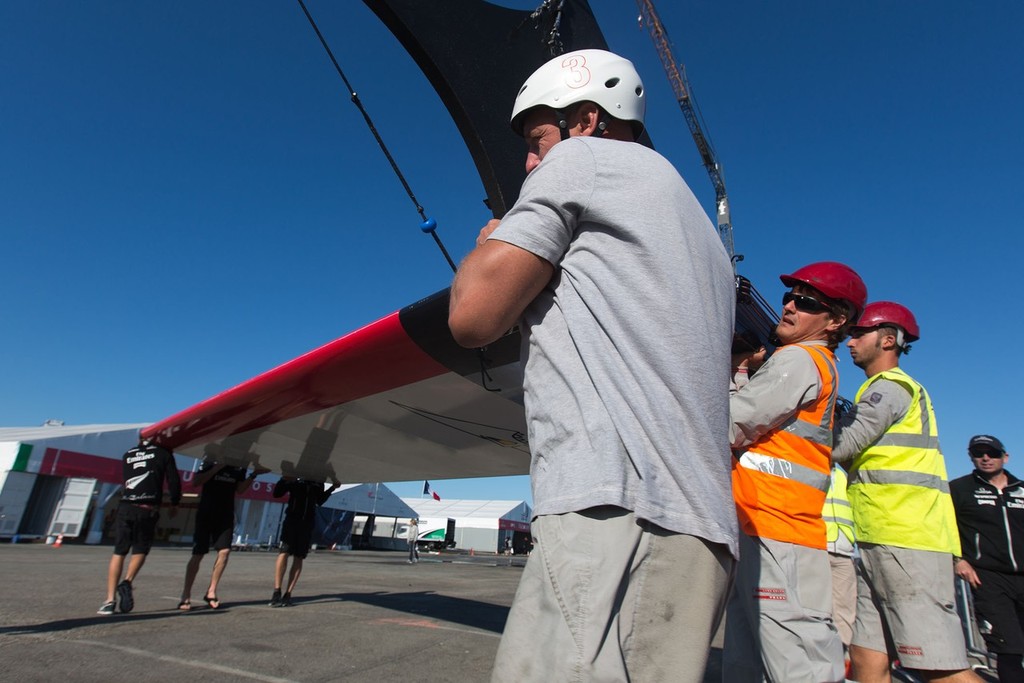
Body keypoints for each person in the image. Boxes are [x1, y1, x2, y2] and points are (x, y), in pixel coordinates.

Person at [449, 49, 738, 682]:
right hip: (700, 528)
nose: (531, 161)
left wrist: (486, 248)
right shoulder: (693, 222)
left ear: (585, 120)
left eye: (537, 139)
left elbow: (473, 316)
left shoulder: (583, 159)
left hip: (617, 511)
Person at [724, 261, 866, 683]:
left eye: (805, 302)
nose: (789, 305)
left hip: (779, 532)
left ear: (836, 320)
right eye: (789, 296)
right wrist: (741, 371)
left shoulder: (801, 358)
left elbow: (729, 423)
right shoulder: (805, 363)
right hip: (760, 525)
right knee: (749, 661)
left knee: (800, 665)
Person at [832, 301, 981, 682]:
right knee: (867, 660)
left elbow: (844, 444)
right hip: (875, 538)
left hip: (907, 542)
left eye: (858, 333)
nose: (850, 342)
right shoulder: (878, 389)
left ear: (887, 340)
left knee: (939, 669)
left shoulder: (892, 387)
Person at [951, 435, 1024, 683]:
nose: (985, 458)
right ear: (971, 457)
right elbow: (945, 527)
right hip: (988, 578)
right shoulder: (959, 489)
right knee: (1009, 647)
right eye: (978, 453)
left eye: (991, 453)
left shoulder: (1021, 488)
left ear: (1005, 457)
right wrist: (957, 559)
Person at [97, 436, 181, 615]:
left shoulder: (127, 454)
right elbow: (173, 480)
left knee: (119, 551)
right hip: (147, 508)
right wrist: (174, 502)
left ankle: (109, 600)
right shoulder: (163, 454)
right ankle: (127, 581)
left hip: (125, 505)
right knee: (140, 549)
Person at [178, 457, 267, 610]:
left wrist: (253, 475)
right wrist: (217, 467)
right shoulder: (210, 459)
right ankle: (185, 594)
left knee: (225, 552)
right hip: (206, 512)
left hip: (225, 514)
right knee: (198, 554)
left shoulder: (240, 464)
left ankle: (212, 591)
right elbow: (196, 481)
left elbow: (240, 489)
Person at [269, 473, 339, 607]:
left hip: (307, 522)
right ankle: (277, 591)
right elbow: (277, 493)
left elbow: (319, 500)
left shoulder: (318, 480)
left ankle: (288, 594)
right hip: (292, 520)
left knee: (299, 556)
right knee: (284, 552)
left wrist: (332, 489)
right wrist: (284, 479)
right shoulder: (296, 476)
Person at [824, 462, 857, 658]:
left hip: (844, 549)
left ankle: (843, 657)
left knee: (844, 609)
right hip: (818, 545)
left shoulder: (844, 475)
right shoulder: (811, 468)